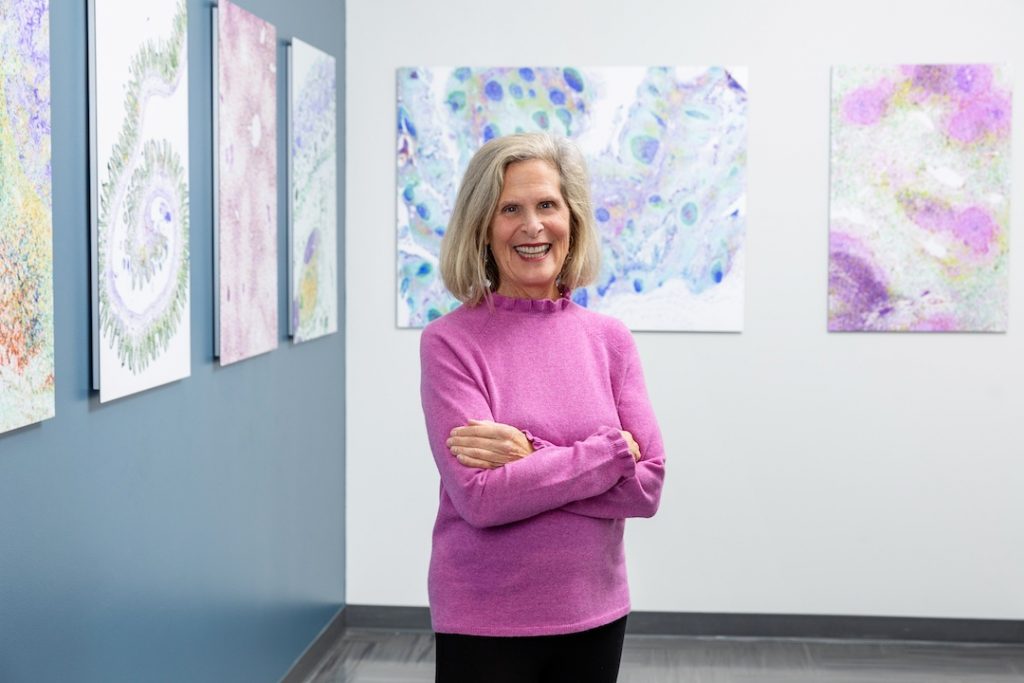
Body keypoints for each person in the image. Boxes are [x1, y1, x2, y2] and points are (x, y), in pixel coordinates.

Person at [419, 132, 666, 683]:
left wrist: (528, 456)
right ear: (483, 226)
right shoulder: (450, 342)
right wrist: (605, 457)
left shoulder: (610, 340)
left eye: (547, 205)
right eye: (510, 208)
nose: (532, 226)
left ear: (572, 220)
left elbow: (646, 486)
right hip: (484, 619)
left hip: (595, 613)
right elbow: (479, 498)